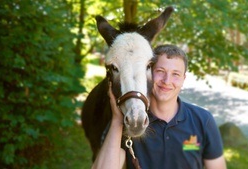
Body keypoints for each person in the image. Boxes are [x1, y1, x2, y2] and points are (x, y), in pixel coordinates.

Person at [92, 44, 226, 169]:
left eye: (175, 74)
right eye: (160, 71)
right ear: (147, 75)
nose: (167, 81)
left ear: (183, 79)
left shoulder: (203, 120)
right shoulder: (133, 120)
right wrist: (117, 120)